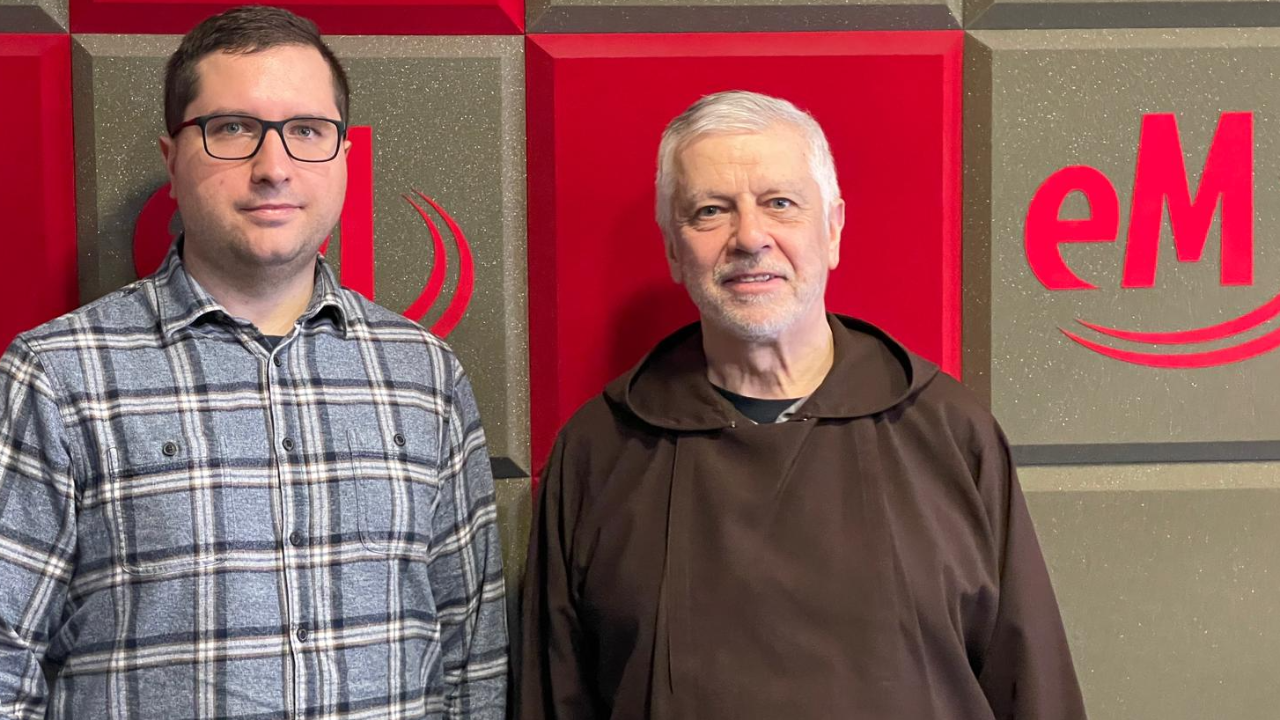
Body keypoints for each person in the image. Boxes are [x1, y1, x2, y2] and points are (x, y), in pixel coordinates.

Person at [0, 6, 506, 718]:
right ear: (172, 158)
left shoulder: (424, 375)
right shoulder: (57, 377)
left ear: (344, 157)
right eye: (233, 128)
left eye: (307, 131)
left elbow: (471, 653)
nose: (273, 168)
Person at [519, 90, 1085, 719]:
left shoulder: (949, 432)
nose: (749, 237)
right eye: (711, 211)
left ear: (833, 228)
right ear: (675, 249)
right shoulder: (600, 451)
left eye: (780, 203)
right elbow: (552, 695)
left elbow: (1032, 688)